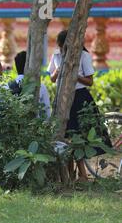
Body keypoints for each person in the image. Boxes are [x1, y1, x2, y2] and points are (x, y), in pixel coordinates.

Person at [48, 29, 111, 182]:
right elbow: (52, 79)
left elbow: (90, 81)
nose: (63, 50)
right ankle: (71, 174)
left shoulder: (83, 56)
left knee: (78, 136)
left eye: (65, 47)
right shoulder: (56, 56)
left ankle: (82, 174)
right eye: (61, 47)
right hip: (63, 98)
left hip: (80, 99)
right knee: (65, 136)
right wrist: (58, 71)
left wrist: (75, 75)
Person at [11, 50, 51, 119]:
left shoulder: (7, 86)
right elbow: (46, 112)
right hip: (34, 127)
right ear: (30, 65)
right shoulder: (40, 86)